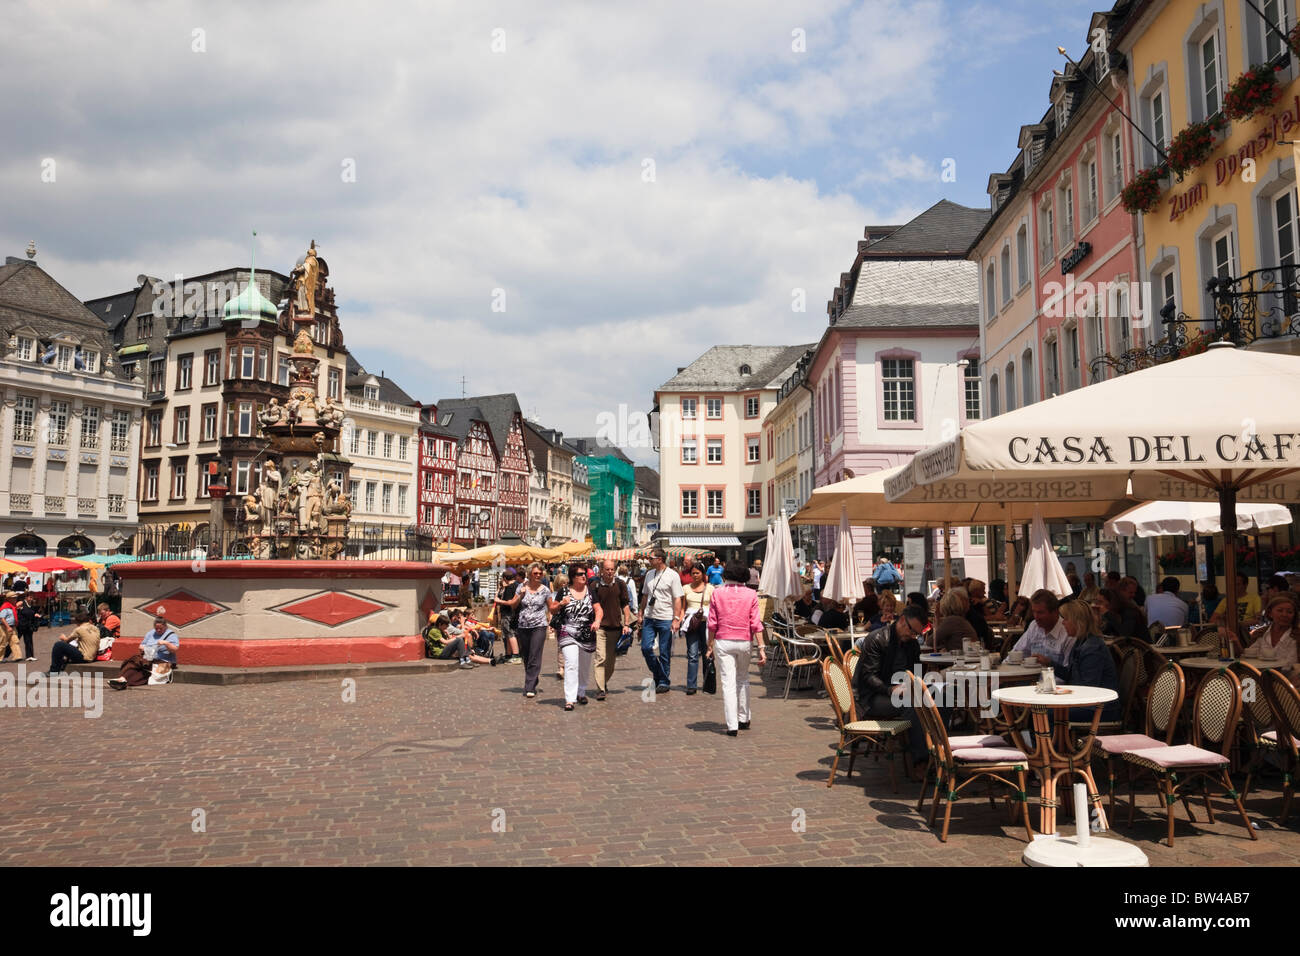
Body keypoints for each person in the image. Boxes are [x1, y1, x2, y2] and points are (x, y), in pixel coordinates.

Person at [854, 604, 929, 776]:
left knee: (941, 699)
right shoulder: (877, 638)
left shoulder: (912, 644)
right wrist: (890, 690)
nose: (913, 636)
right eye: (911, 631)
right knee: (914, 707)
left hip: (903, 692)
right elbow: (868, 676)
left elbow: (916, 673)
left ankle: (942, 754)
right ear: (902, 621)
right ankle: (921, 762)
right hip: (873, 697)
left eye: (917, 634)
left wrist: (919, 686)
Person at [706, 560, 767, 735]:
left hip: (723, 641)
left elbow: (712, 623)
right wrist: (761, 647)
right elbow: (756, 623)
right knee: (743, 679)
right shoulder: (751, 594)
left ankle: (732, 725)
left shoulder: (717, 593)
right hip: (744, 641)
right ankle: (744, 717)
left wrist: (709, 645)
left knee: (728, 683)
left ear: (726, 575)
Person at [1058, 599, 1121, 722]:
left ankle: (1056, 741)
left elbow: (1089, 689)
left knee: (1046, 713)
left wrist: (1061, 693)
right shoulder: (1081, 642)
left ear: (1077, 621)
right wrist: (1048, 663)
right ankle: (1057, 741)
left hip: (1101, 709)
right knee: (1042, 712)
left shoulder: (1092, 649)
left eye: (1066, 619)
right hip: (1092, 704)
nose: (1063, 623)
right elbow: (1072, 675)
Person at [494, 563, 551, 699]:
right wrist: (520, 594)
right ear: (530, 574)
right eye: (535, 573)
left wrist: (559, 605)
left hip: (539, 625)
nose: (538, 576)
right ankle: (533, 678)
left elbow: (551, 607)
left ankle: (529, 686)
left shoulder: (545, 590)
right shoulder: (521, 587)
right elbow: (513, 605)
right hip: (523, 625)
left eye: (540, 573)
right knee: (526, 655)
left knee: (534, 654)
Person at [638, 548, 684, 694]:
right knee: (646, 648)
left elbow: (678, 598)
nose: (649, 561)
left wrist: (676, 619)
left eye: (651, 558)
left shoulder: (673, 575)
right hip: (649, 617)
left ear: (660, 559)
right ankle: (659, 673)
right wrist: (640, 613)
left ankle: (663, 681)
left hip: (665, 617)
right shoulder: (649, 574)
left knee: (664, 652)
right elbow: (645, 595)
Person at [551, 566, 596, 711]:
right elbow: (552, 609)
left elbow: (599, 609)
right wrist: (562, 603)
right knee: (571, 664)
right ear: (573, 576)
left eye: (585, 574)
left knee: (584, 665)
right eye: (580, 574)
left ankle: (581, 692)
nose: (584, 576)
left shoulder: (591, 591)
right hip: (567, 631)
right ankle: (569, 699)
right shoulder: (563, 591)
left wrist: (598, 621)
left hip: (586, 632)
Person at [590, 559, 631, 700]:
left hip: (616, 627)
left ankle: (603, 682)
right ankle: (600, 689)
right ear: (601, 570)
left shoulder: (620, 584)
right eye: (607, 569)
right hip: (600, 627)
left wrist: (626, 624)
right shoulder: (594, 585)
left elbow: (625, 605)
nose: (609, 572)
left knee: (611, 662)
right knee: (600, 658)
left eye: (612, 569)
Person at [1010, 590, 1074, 679]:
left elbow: (1069, 673)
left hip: (1056, 688)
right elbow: (1017, 653)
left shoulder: (1068, 631)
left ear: (1055, 612)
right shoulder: (1034, 626)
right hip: (1029, 684)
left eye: (1040, 612)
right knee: (989, 683)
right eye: (1033, 612)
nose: (1036, 617)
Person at [682, 564, 714, 695]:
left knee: (708, 654)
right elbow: (683, 606)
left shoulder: (710, 589)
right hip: (691, 624)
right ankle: (691, 685)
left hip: (706, 625)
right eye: (693, 573)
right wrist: (680, 619)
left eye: (697, 573)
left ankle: (709, 684)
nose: (695, 575)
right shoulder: (685, 588)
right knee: (693, 654)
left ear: (703, 574)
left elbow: (714, 607)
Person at [1244, 594, 1298, 668]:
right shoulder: (1260, 633)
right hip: (1262, 675)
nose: (1284, 615)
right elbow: (1248, 657)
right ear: (1270, 613)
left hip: (1292, 677)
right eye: (1280, 610)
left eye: (1289, 612)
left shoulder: (1297, 635)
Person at [932, 588, 978, 652]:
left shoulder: (952, 620)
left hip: (959, 659)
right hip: (964, 657)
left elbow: (931, 641)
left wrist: (937, 620)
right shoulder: (960, 619)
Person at [494, 569, 523, 664]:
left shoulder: (509, 588)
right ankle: (509, 654)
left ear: (505, 578)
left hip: (507, 614)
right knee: (508, 634)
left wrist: (498, 600)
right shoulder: (518, 586)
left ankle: (516, 655)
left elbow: (508, 602)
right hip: (515, 614)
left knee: (510, 634)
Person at [962, 579, 994, 648]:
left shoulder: (979, 602)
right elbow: (985, 617)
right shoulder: (973, 603)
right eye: (983, 590)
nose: (985, 592)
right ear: (976, 591)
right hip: (977, 639)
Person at [15, 595, 42, 662]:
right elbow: (14, 608)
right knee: (15, 640)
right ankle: (4, 655)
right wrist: (18, 609)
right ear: (26, 598)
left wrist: (36, 615)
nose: (31, 599)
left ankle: (29, 656)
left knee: (29, 640)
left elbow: (32, 612)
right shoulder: (21, 603)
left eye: (32, 597)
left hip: (28, 625)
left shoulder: (32, 604)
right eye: (30, 597)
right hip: (21, 625)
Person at [0, 592, 19, 661]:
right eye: (13, 598)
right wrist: (8, 627)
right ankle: (0, 658)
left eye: (15, 597)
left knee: (15, 641)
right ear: (9, 599)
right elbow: (2, 618)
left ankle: (17, 657)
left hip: (12, 627)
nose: (15, 599)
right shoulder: (5, 607)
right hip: (4, 627)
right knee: (2, 642)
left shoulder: (12, 607)